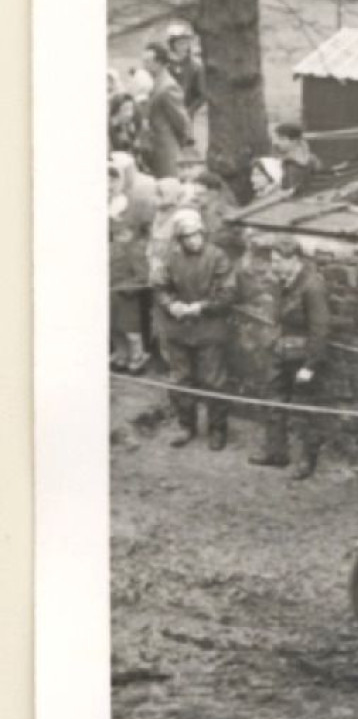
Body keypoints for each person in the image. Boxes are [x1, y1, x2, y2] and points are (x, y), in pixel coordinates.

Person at [248, 238, 332, 480]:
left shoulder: (312, 286)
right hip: (280, 350)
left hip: (303, 356)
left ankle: (308, 459)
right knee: (273, 399)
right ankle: (276, 452)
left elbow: (320, 329)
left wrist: (310, 365)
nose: (273, 266)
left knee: (305, 408)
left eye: (277, 261)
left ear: (293, 260)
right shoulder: (283, 282)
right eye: (272, 261)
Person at [152, 209, 236, 450]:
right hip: (179, 330)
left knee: (214, 381)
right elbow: (160, 287)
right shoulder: (171, 258)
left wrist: (201, 307)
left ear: (203, 233)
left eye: (196, 234)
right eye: (187, 237)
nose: (193, 240)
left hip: (209, 329)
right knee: (181, 380)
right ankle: (185, 425)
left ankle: (218, 429)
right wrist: (172, 304)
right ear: (180, 239)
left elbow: (228, 294)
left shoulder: (217, 257)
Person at [141, 42, 194, 179]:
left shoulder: (168, 87)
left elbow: (181, 121)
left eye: (148, 61)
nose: (144, 66)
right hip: (157, 148)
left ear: (159, 63)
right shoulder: (156, 83)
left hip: (166, 151)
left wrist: (177, 143)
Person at [109, 216, 150, 375]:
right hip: (112, 296)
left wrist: (127, 288)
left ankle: (137, 358)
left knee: (131, 331)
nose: (120, 237)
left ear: (132, 234)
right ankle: (121, 356)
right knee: (115, 329)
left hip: (127, 297)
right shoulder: (110, 249)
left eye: (124, 233)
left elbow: (142, 276)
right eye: (117, 234)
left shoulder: (135, 251)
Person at [272, 123, 323, 195]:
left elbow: (291, 191)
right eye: (277, 139)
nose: (276, 142)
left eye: (282, 139)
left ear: (294, 141)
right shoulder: (312, 158)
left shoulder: (292, 163)